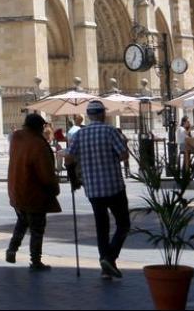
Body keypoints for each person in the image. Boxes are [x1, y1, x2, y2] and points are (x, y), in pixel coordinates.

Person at [63, 100, 130, 280]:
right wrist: (123, 146)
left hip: (92, 189)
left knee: (102, 227)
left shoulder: (80, 134)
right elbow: (124, 156)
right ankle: (109, 258)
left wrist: (73, 176)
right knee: (123, 224)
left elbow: (68, 158)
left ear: (90, 115)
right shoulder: (110, 131)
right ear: (102, 114)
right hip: (113, 186)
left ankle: (105, 266)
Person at [5, 113, 60, 272]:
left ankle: (12, 249)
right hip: (34, 193)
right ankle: (35, 260)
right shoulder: (38, 144)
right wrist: (54, 188)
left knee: (22, 222)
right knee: (37, 228)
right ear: (38, 127)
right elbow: (46, 173)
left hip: (16, 189)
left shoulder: (16, 138)